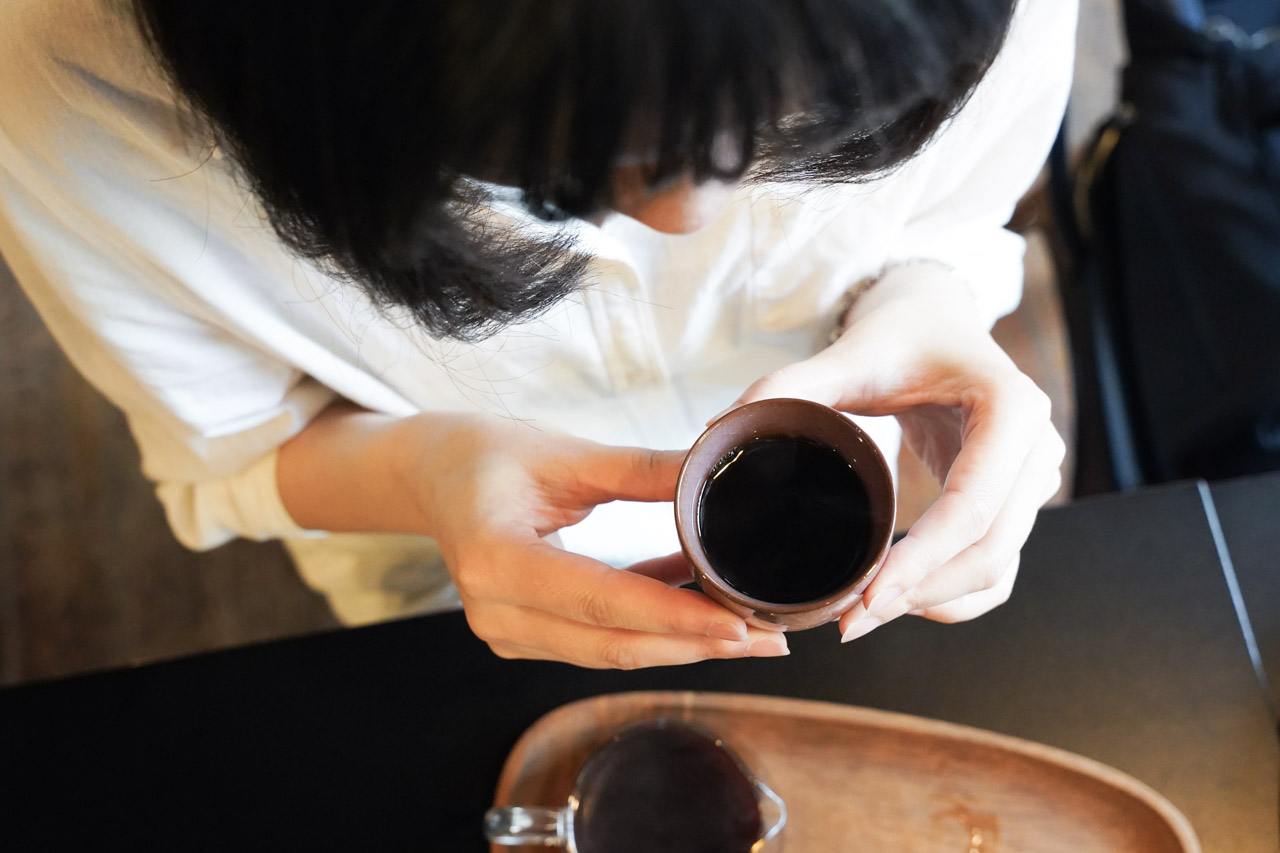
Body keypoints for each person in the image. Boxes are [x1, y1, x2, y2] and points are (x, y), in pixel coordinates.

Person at [0, 0, 1074, 668]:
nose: (685, 220)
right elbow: (229, 446)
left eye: (826, 122)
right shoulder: (73, 90)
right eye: (546, 178)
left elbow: (953, 213)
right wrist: (424, 474)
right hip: (430, 581)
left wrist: (926, 298)